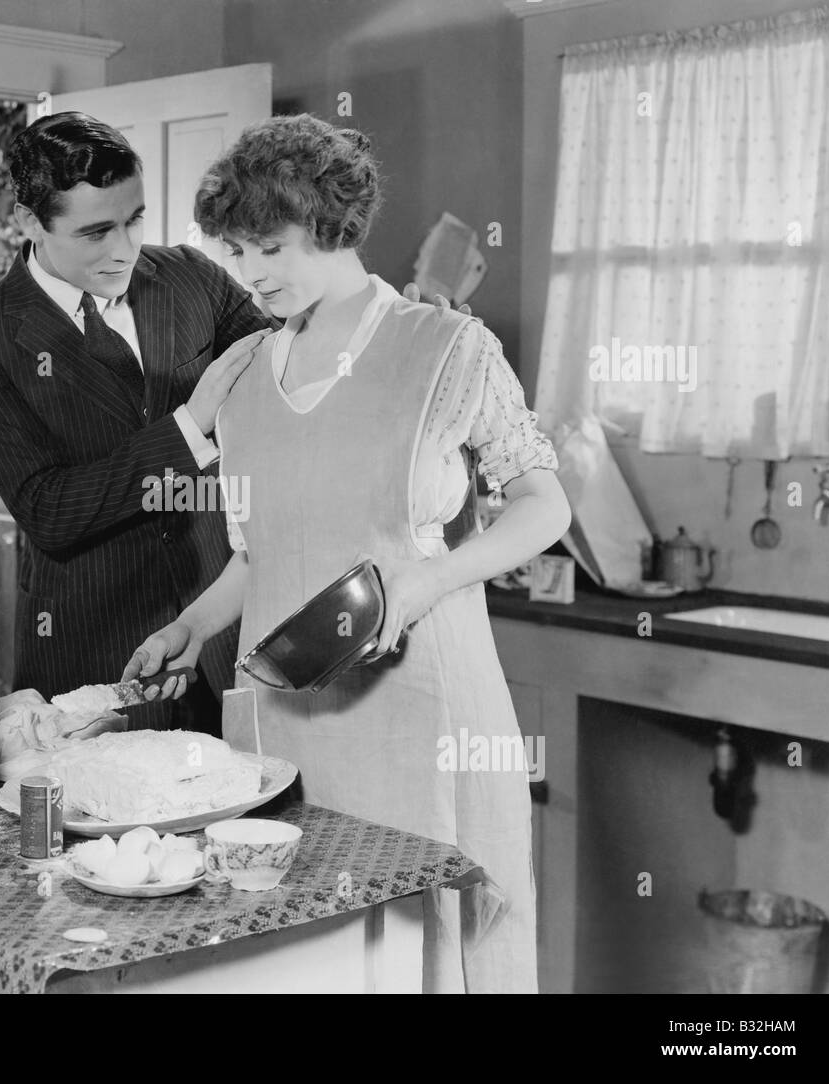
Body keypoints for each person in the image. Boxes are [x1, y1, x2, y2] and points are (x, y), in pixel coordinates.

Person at [122, 114, 571, 992]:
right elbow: (258, 553)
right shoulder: (244, 373)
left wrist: (429, 577)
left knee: (420, 955)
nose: (249, 274)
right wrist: (189, 623)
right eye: (233, 253)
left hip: (419, 712)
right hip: (284, 719)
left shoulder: (448, 348)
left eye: (271, 248)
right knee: (300, 961)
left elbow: (542, 502)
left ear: (333, 226)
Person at [0, 112, 272, 733]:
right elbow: (50, 511)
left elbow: (289, 372)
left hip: (225, 638)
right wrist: (189, 426)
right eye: (96, 232)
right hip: (93, 653)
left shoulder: (190, 276)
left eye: (134, 219)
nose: (123, 248)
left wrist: (382, 334)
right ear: (30, 222)